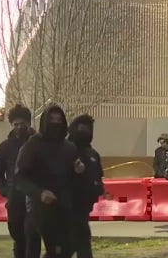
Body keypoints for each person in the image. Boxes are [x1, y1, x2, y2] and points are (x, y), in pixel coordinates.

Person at [15, 104, 85, 257]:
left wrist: (79, 170)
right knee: (34, 248)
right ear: (45, 121)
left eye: (59, 120)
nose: (55, 123)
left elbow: (75, 173)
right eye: (52, 119)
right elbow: (19, 177)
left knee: (65, 249)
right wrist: (39, 193)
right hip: (38, 207)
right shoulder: (33, 145)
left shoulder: (69, 148)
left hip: (63, 206)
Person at [0, 104, 41, 258]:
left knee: (33, 236)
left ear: (28, 123)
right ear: (11, 125)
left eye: (22, 124)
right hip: (15, 200)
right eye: (15, 124)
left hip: (35, 199)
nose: (19, 127)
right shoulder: (4, 147)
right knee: (19, 237)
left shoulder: (39, 143)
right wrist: (6, 191)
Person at [68, 114, 104, 258]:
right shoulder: (66, 150)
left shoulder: (93, 154)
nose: (85, 131)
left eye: (87, 128)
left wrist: (98, 188)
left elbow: (98, 176)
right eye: (81, 128)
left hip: (84, 206)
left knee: (80, 243)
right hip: (66, 206)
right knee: (67, 246)